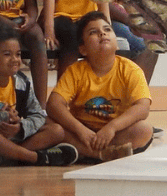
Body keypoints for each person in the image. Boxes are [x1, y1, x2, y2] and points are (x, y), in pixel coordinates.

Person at [0, 23, 77, 166]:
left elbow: (39, 115)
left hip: (10, 140)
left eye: (18, 54)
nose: (15, 59)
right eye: (7, 54)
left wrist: (20, 128)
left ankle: (9, 156)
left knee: (57, 131)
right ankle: (36, 157)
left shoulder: (21, 82)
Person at [46, 12, 154, 162]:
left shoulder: (131, 69)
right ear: (83, 49)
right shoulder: (75, 71)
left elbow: (143, 107)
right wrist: (80, 130)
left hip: (115, 133)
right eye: (93, 32)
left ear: (116, 41)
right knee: (48, 123)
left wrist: (112, 128)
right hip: (82, 133)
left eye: (107, 29)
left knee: (144, 130)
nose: (102, 33)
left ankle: (86, 153)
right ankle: (101, 154)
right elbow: (53, 104)